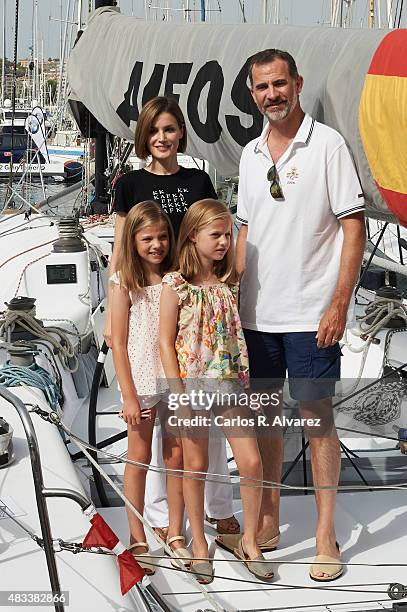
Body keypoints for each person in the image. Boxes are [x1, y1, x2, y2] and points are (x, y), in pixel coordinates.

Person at [225, 48, 366, 582]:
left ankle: (326, 533)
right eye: (261, 87)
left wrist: (339, 301)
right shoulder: (250, 153)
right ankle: (270, 520)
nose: (271, 95)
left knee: (317, 423)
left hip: (311, 314)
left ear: (298, 83)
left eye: (279, 84)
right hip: (257, 315)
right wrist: (228, 296)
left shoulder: (327, 145)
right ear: (253, 92)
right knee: (264, 422)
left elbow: (352, 227)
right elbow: (245, 231)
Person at [105, 95, 239, 541]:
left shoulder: (199, 179)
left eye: (170, 129)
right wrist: (111, 303)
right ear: (144, 136)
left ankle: (219, 506)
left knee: (202, 414)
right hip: (147, 300)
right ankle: (165, 517)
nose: (162, 138)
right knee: (167, 424)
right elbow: (121, 245)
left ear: (181, 132)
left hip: (191, 303)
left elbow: (214, 234)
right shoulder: (129, 184)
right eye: (154, 130)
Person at [160, 199, 274, 584]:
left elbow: (245, 237)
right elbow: (164, 342)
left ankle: (251, 541)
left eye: (227, 234)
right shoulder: (175, 284)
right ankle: (197, 545)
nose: (224, 241)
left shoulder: (229, 281)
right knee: (195, 466)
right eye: (216, 234)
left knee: (252, 463)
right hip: (192, 387)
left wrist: (245, 214)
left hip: (230, 384)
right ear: (193, 235)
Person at [111, 201, 191, 573]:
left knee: (175, 457)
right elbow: (118, 341)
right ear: (134, 240)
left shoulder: (176, 278)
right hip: (141, 378)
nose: (156, 244)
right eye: (147, 238)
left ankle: (175, 530)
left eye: (162, 237)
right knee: (138, 458)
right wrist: (127, 395)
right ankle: (137, 533)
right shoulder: (123, 281)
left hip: (173, 377)